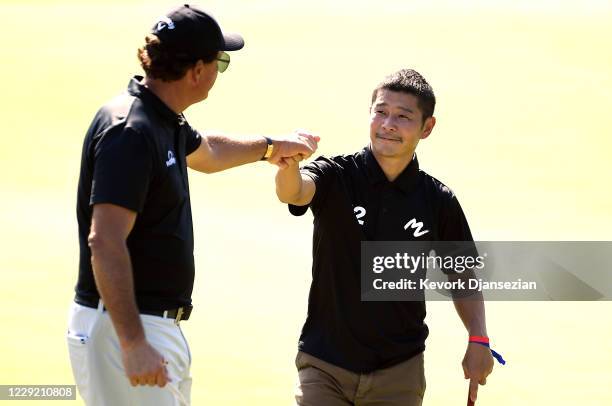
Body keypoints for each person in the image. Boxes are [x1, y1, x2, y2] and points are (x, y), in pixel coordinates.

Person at [67, 4, 318, 406]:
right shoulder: (131, 132)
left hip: (150, 326)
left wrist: (271, 147)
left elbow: (210, 152)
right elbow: (106, 241)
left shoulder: (162, 117)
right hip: (124, 329)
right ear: (197, 71)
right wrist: (133, 343)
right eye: (220, 61)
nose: (220, 72)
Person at [276, 69, 495, 406]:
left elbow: (462, 273)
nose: (388, 124)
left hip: (399, 372)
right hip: (325, 365)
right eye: (380, 112)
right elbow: (296, 192)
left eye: (403, 116)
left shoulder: (438, 200)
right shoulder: (336, 174)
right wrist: (288, 167)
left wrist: (478, 337)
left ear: (427, 127)